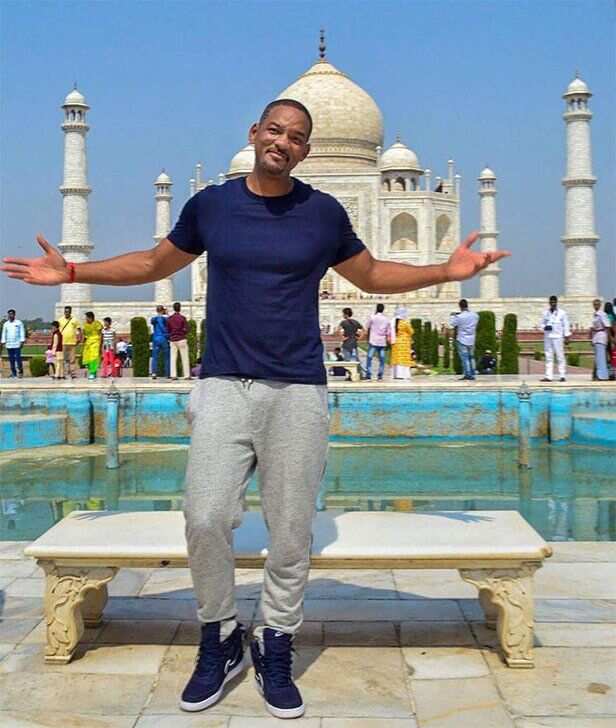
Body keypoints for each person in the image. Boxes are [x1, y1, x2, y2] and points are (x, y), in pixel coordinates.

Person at [1, 97, 508, 720]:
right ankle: (218, 634)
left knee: (291, 529)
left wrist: (443, 272)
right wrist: (75, 270)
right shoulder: (211, 205)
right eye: (275, 130)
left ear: (307, 150)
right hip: (224, 386)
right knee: (206, 515)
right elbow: (155, 263)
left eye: (297, 136)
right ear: (255, 134)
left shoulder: (323, 212)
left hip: (297, 387)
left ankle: (275, 638)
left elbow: (371, 274)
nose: (284, 141)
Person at [540, 295, 570, 382]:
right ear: (549, 303)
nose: (553, 304)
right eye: (551, 302)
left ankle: (562, 375)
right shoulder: (545, 313)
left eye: (554, 302)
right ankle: (548, 376)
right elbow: (541, 324)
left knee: (560, 356)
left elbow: (566, 325)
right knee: (548, 356)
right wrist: (545, 327)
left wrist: (567, 336)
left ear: (556, 302)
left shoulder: (562, 313)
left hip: (558, 337)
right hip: (548, 337)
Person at [449, 299, 479, 381]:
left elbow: (452, 323)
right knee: (471, 357)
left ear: (460, 306)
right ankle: (473, 372)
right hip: (472, 338)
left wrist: (453, 315)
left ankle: (468, 374)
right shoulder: (475, 315)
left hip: (462, 339)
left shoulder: (459, 317)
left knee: (465, 358)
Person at [364, 303, 390, 381]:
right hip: (382, 341)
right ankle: (380, 376)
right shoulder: (386, 319)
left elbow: (367, 326)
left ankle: (368, 375)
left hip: (373, 340)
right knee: (382, 359)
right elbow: (388, 331)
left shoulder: (372, 317)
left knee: (369, 358)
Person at [168, 301, 191, 380]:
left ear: (173, 308)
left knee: (173, 358)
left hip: (173, 340)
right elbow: (187, 329)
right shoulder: (182, 318)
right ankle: (187, 375)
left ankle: (173, 375)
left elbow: (168, 329)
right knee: (184, 357)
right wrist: (183, 332)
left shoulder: (170, 318)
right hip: (181, 339)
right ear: (180, 308)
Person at [57, 305, 82, 379]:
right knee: (63, 359)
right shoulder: (60, 320)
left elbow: (79, 329)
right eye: (65, 311)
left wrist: (79, 338)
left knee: (72, 359)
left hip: (72, 342)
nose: (66, 313)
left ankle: (72, 373)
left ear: (70, 312)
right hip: (63, 342)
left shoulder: (74, 320)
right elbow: (57, 330)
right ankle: (63, 373)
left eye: (68, 312)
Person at [389, 306, 413, 379]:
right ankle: (403, 375)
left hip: (395, 342)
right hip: (404, 343)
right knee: (403, 359)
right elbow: (411, 331)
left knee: (396, 358)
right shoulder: (404, 322)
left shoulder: (393, 322)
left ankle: (395, 374)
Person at [0, 309, 26, 378]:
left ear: (14, 315)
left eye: (12, 314)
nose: (10, 315)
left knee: (18, 358)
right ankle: (14, 373)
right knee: (11, 360)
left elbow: (22, 332)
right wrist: (3, 342)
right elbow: (4, 333)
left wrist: (22, 341)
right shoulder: (6, 324)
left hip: (17, 344)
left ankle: (20, 372)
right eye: (9, 314)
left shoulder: (19, 323)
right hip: (9, 344)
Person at [590, 299, 610, 381]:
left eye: (597, 304)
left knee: (601, 357)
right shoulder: (595, 314)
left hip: (601, 336)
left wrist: (608, 339)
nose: (596, 306)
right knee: (598, 358)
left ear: (600, 305)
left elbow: (607, 326)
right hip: (596, 337)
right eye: (595, 304)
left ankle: (602, 376)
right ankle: (599, 375)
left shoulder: (602, 314)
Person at [82, 311, 103, 380]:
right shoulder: (85, 324)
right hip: (88, 343)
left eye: (87, 318)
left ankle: (93, 373)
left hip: (95, 342)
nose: (86, 319)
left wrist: (100, 345)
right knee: (86, 359)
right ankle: (92, 371)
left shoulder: (97, 324)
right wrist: (83, 341)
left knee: (93, 358)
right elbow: (84, 335)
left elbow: (100, 335)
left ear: (91, 318)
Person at [150, 305, 169, 379]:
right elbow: (164, 326)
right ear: (162, 310)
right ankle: (167, 373)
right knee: (166, 357)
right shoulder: (165, 318)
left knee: (155, 357)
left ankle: (154, 373)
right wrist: (167, 334)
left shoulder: (153, 319)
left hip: (155, 338)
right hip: (163, 338)